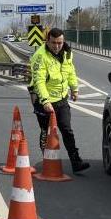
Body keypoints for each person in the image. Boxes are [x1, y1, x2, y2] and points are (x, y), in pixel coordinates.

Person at [28, 28, 90, 172]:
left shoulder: (68, 53)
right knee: (46, 132)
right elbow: (39, 81)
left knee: (67, 130)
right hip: (43, 100)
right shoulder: (40, 56)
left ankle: (76, 162)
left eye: (60, 43)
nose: (57, 46)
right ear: (47, 41)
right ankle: (48, 161)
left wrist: (74, 89)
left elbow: (70, 71)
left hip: (61, 99)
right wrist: (45, 101)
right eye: (53, 43)